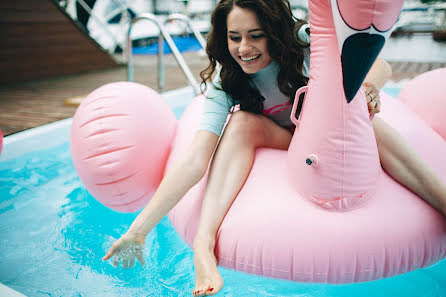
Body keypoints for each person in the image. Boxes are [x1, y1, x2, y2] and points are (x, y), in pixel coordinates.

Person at [103, 0, 446, 295]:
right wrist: (138, 231)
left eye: (255, 36)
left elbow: (378, 64)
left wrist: (369, 85)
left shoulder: (306, 51)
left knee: (364, 117)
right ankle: (203, 246)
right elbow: (196, 159)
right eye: (234, 37)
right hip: (283, 140)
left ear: (274, 33)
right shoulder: (229, 81)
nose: (244, 49)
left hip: (326, 133)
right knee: (240, 123)